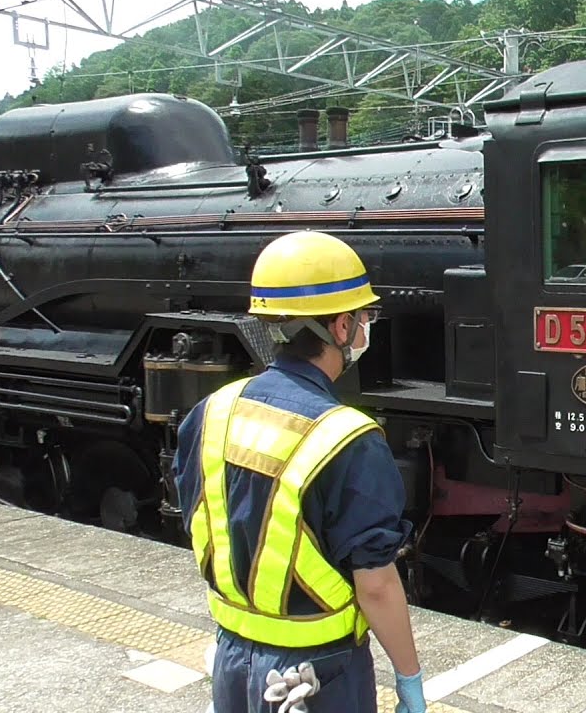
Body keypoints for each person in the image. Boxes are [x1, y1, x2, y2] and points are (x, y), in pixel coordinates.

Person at [174, 230, 427, 713]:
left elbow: (199, 515)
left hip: (232, 657)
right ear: (339, 328)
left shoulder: (213, 410)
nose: (366, 327)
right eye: (364, 317)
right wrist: (408, 679)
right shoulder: (347, 438)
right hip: (317, 671)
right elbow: (375, 584)